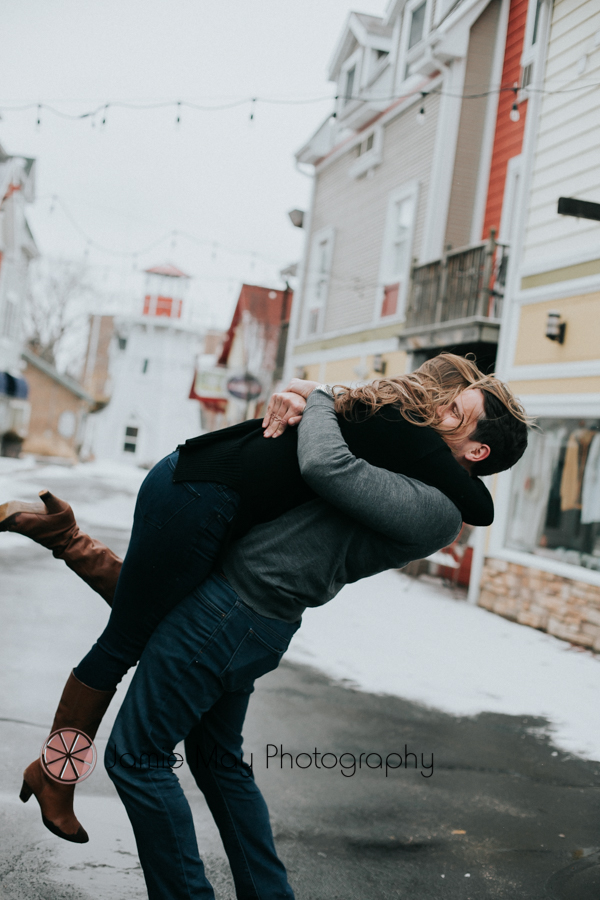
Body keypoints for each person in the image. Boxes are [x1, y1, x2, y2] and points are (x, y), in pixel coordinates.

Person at [1, 355, 528, 847]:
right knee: (125, 641)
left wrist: (311, 394)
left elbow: (463, 498)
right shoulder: (412, 435)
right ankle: (53, 776)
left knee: (152, 612)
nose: (441, 409)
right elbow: (474, 503)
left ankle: (65, 537)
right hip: (203, 493)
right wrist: (313, 393)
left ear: (477, 447)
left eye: (456, 409)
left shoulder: (410, 440)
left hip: (211, 493)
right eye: (449, 399)